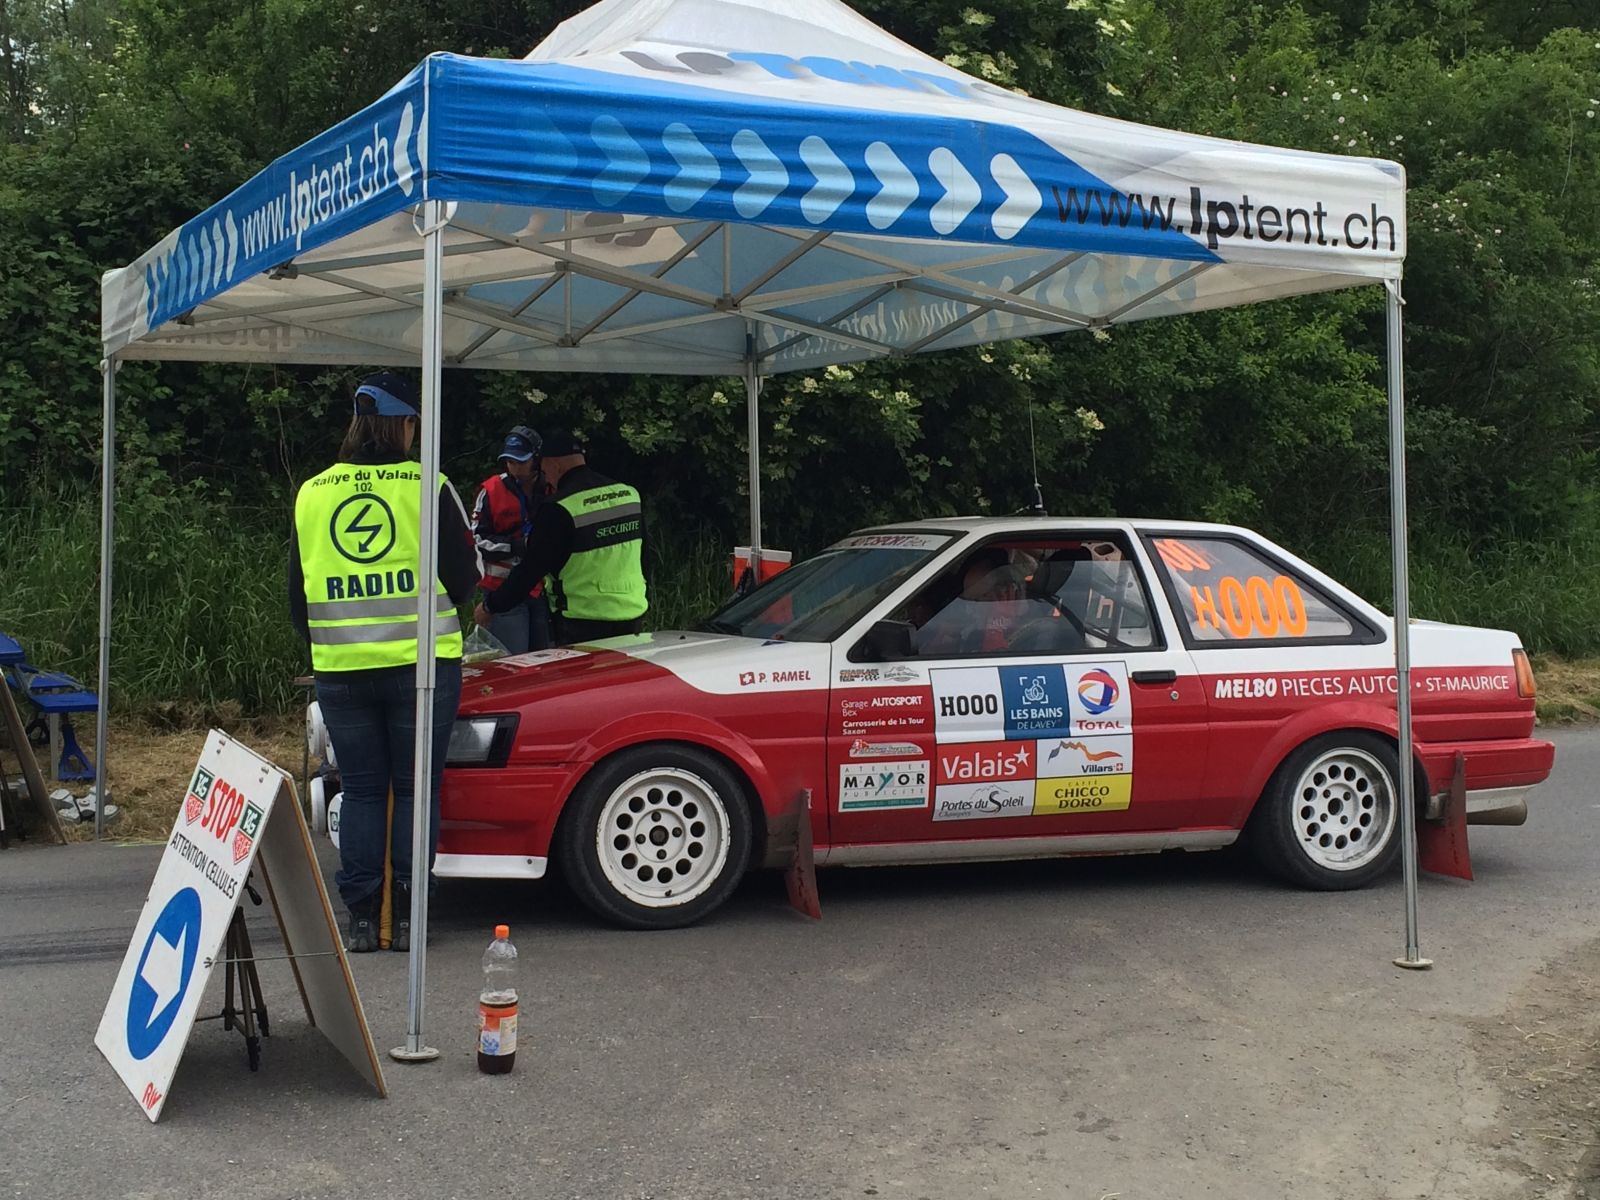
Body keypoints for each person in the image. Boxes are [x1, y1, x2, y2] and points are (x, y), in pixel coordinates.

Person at [288, 371, 481, 953]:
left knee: (363, 790)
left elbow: (298, 597)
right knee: (417, 789)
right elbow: (464, 578)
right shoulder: (429, 485)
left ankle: (364, 917)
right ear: (405, 425)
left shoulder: (313, 492)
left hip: (342, 669)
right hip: (421, 668)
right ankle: (410, 913)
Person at [475, 428, 648, 644]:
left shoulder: (560, 507)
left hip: (582, 617)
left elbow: (532, 568)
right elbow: (644, 558)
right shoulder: (628, 494)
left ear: (553, 465)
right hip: (632, 611)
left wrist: (491, 605)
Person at [472, 425, 551, 654]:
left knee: (546, 661)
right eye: (510, 461)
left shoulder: (551, 488)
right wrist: (515, 546)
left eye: (521, 461)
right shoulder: (491, 490)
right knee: (513, 661)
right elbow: (476, 539)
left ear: (536, 459)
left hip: (544, 590)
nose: (515, 468)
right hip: (502, 590)